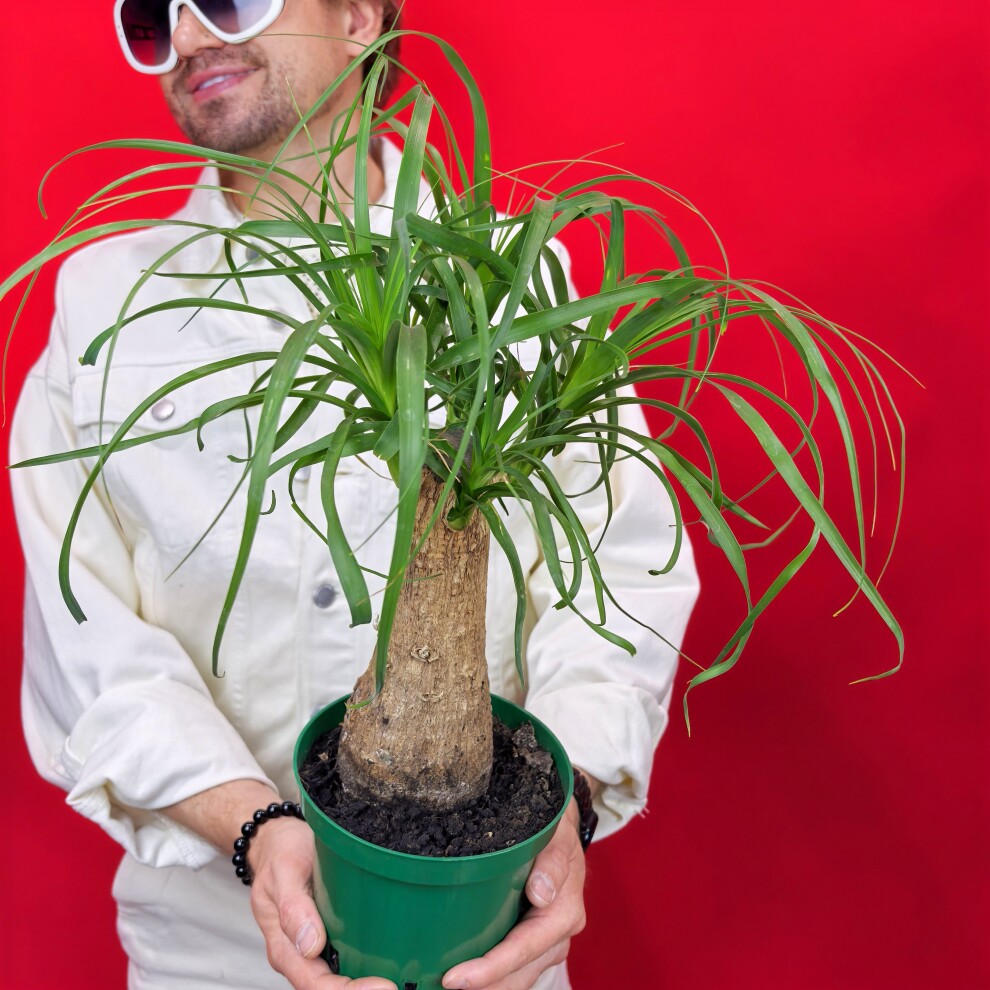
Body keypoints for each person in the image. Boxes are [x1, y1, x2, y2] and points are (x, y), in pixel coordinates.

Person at [10, 2, 700, 989]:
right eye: (152, 18)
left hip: (484, 931)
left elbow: (621, 572)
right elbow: (87, 636)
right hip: (206, 949)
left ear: (360, 15)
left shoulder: (513, 279)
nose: (190, 39)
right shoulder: (104, 304)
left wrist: (564, 817)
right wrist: (255, 826)